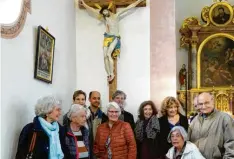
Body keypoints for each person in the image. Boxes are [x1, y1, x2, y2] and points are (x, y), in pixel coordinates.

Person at [80, 0, 144, 82]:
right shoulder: (105, 19)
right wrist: (84, 4)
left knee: (108, 54)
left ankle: (112, 74)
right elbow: (93, 10)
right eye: (103, 13)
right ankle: (108, 73)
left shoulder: (116, 16)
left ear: (108, 10)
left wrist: (138, 1)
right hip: (107, 38)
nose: (105, 13)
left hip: (115, 38)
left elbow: (128, 8)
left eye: (106, 11)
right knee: (105, 56)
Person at [188, 92, 234, 159]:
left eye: (206, 103)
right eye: (201, 104)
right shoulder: (195, 120)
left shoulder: (225, 118)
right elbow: (188, 142)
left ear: (213, 101)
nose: (203, 106)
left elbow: (231, 144)